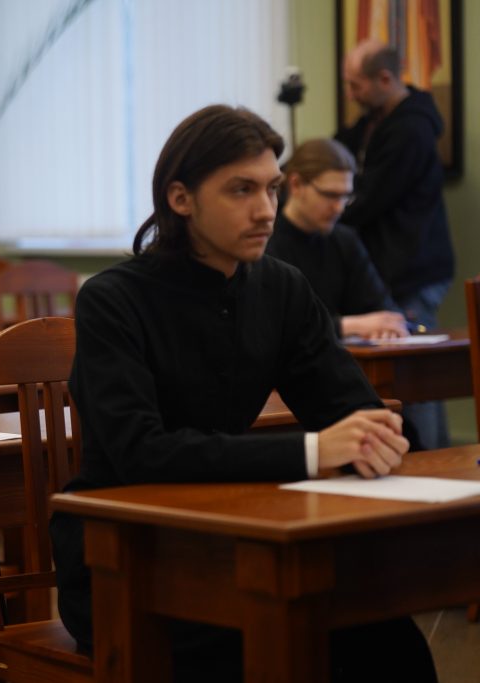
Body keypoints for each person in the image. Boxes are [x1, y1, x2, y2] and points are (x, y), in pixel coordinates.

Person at [49, 105, 437, 682]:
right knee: (274, 642)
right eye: (241, 190)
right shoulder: (112, 299)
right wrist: (315, 451)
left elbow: (350, 408)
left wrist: (381, 438)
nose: (266, 210)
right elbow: (141, 452)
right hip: (123, 556)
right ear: (180, 199)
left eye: (272, 188)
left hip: (233, 537)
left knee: (389, 642)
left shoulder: (281, 288)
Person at [337, 39, 454, 448]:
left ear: (384, 79)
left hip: (413, 269)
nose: (350, 95)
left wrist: (328, 215)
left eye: (355, 85)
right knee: (411, 377)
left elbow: (371, 198)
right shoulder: (373, 122)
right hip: (391, 268)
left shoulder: (412, 129)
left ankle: (428, 461)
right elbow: (336, 151)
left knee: (414, 377)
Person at [266, 137, 408, 341]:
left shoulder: (345, 240)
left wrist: (385, 327)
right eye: (331, 195)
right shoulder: (265, 243)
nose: (339, 208)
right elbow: (276, 325)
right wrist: (348, 326)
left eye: (346, 197)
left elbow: (383, 310)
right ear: (296, 184)